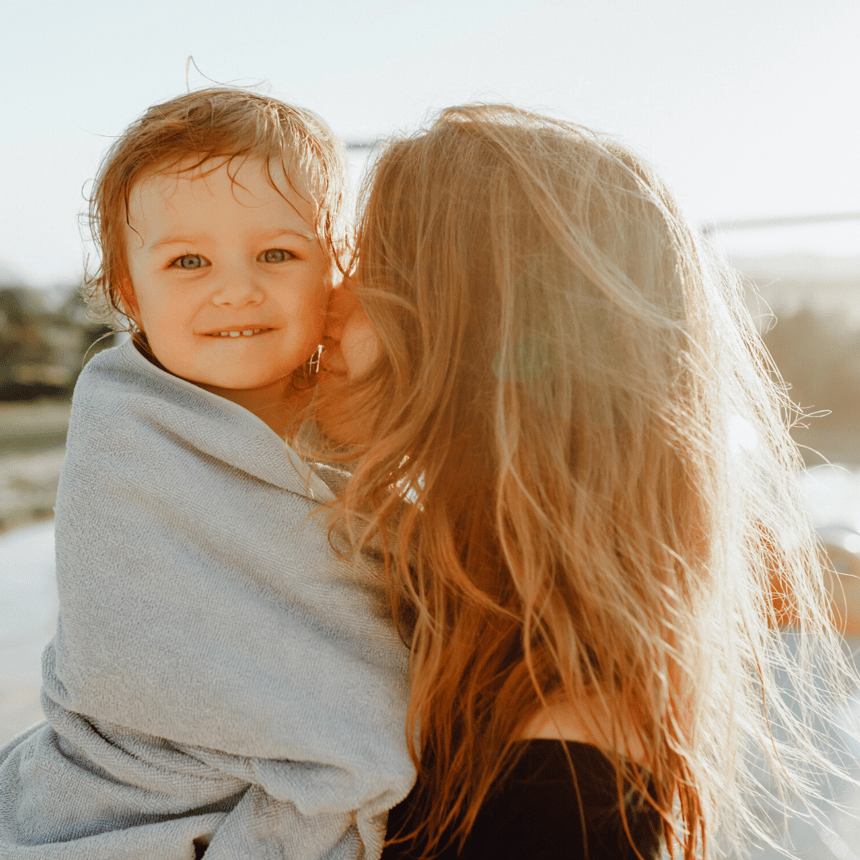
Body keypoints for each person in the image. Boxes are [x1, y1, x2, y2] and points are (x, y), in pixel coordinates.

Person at [313, 104, 857, 859]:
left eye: (370, 267)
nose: (325, 299)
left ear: (473, 331)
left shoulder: (565, 771)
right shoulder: (427, 599)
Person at [0, 89, 414, 859]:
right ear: (129, 292)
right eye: (188, 261)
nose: (236, 288)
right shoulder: (128, 436)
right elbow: (146, 663)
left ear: (335, 273)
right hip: (132, 795)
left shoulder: (353, 417)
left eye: (278, 254)